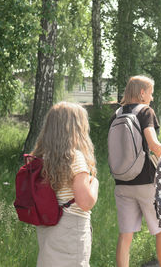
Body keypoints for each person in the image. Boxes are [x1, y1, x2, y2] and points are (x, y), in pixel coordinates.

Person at [110, 75, 161, 267]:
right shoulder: (145, 112)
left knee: (125, 235)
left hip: (122, 182)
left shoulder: (117, 114)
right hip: (146, 182)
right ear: (142, 93)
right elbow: (152, 143)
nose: (152, 97)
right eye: (151, 93)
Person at [32, 102, 99, 267]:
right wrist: (94, 182)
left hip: (47, 226)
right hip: (71, 227)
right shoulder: (74, 158)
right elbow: (85, 203)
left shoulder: (40, 157)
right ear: (75, 128)